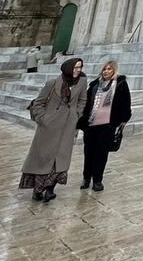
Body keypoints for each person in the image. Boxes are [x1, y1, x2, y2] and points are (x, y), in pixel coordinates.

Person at [21, 57, 86, 202]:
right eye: (75, 67)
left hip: (68, 127)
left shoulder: (81, 82)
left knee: (60, 160)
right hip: (49, 128)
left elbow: (83, 100)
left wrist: (76, 114)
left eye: (80, 67)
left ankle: (50, 189)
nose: (78, 70)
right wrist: (44, 119)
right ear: (68, 68)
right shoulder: (52, 83)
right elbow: (38, 103)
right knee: (43, 159)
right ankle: (38, 190)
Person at [78, 59, 131, 192]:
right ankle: (86, 178)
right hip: (91, 124)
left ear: (114, 70)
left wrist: (123, 119)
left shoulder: (120, 84)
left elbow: (126, 103)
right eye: (104, 69)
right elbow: (87, 103)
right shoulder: (95, 84)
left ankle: (97, 180)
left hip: (107, 125)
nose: (106, 71)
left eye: (109, 69)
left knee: (101, 153)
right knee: (88, 152)